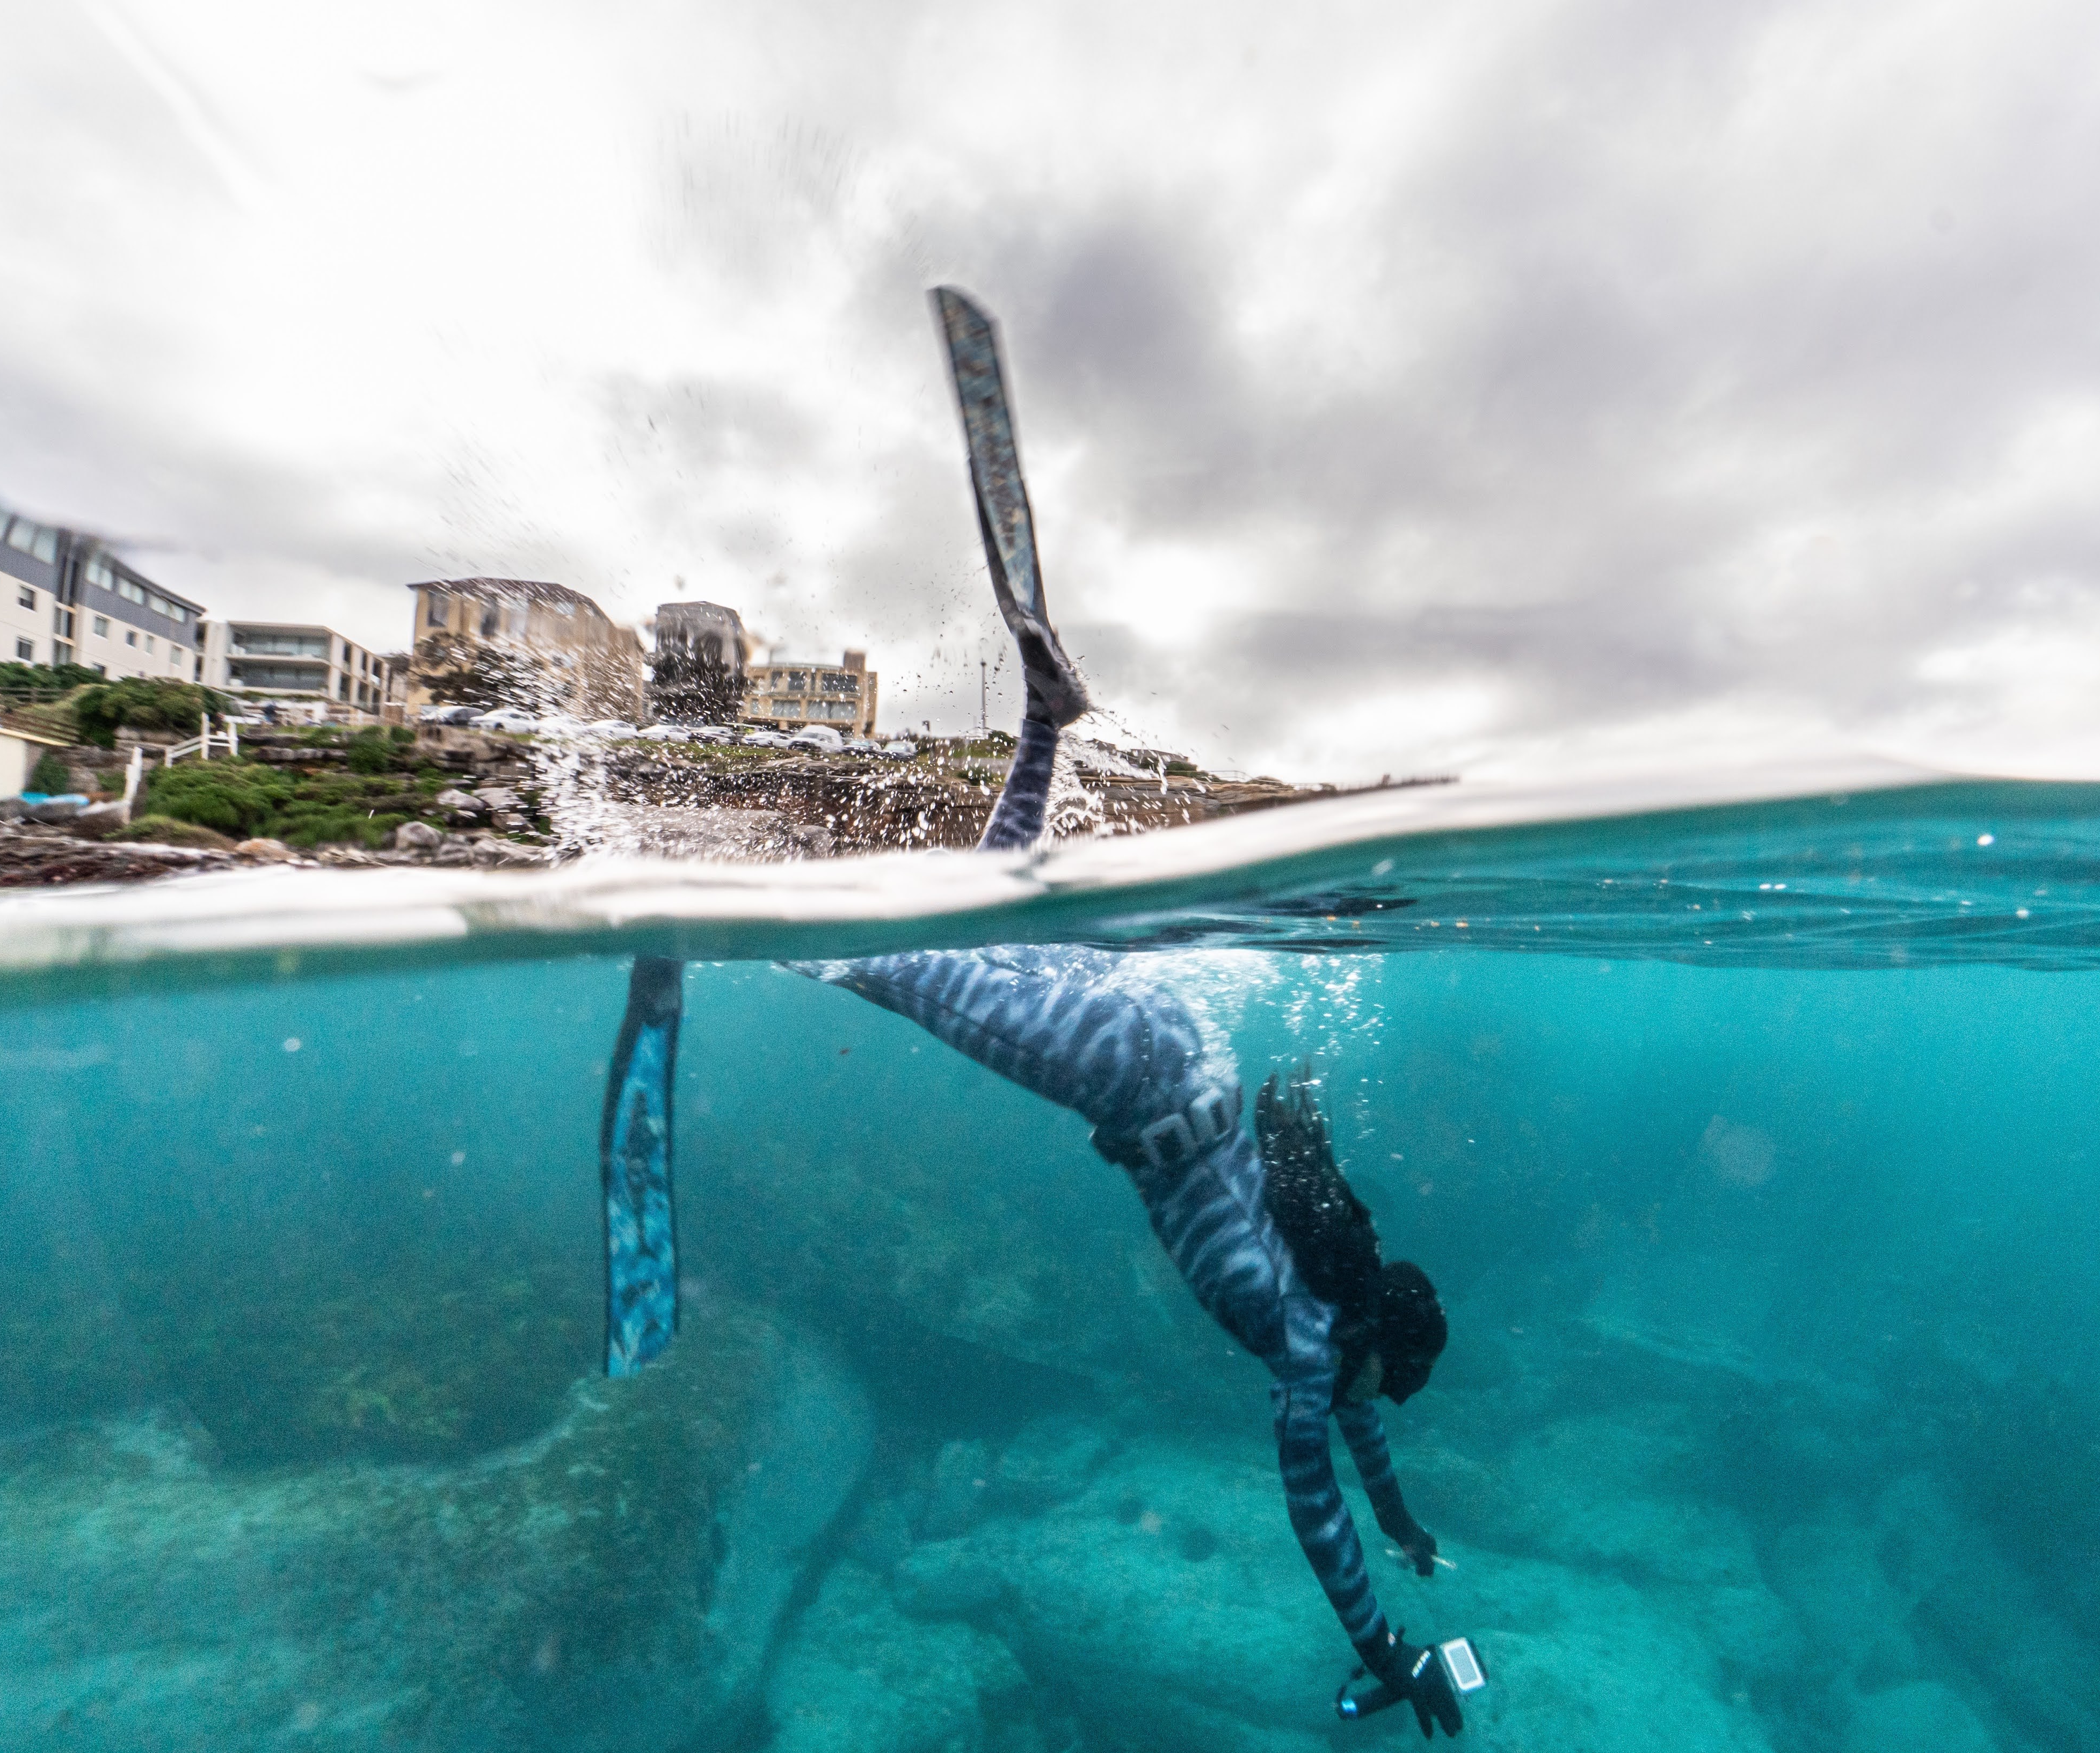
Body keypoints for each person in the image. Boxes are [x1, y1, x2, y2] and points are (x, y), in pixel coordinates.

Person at [601, 288, 1471, 1737]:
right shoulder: (1315, 1355)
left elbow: (1369, 1453)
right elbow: (1318, 1505)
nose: (1372, 1401)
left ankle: (1046, 721)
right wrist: (1387, 1646)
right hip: (1134, 1082)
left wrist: (1416, 1528)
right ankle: (678, 913)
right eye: (1388, 1386)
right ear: (1379, 1348)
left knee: (981, 920)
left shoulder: (1345, 1311)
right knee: (886, 964)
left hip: (1181, 1043)